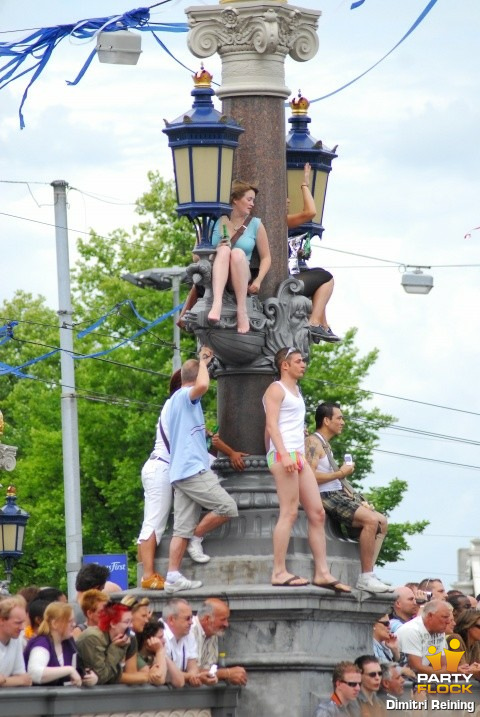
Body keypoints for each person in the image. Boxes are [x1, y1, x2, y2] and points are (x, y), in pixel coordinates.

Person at [263, 347, 350, 591]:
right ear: (285, 365)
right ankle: (279, 571)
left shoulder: (296, 391)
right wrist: (281, 453)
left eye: (304, 361)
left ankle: (322, 572)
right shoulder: (275, 389)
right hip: (285, 456)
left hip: (298, 454)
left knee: (317, 513)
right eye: (299, 361)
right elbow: (270, 424)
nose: (304, 364)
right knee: (289, 513)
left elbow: (286, 423)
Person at [163, 349, 238, 593]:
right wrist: (205, 362)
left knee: (180, 529)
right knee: (227, 507)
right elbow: (203, 385)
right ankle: (197, 537)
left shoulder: (175, 401)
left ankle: (172, 576)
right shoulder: (186, 395)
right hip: (192, 470)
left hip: (181, 472)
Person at [305, 402, 389, 594]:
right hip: (326, 495)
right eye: (339, 418)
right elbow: (309, 477)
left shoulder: (325, 445)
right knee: (371, 520)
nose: (343, 422)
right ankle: (366, 576)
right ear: (326, 421)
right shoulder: (313, 442)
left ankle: (368, 572)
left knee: (382, 523)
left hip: (339, 494)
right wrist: (340, 473)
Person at [137, 370, 181, 590]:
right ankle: (147, 575)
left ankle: (146, 572)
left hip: (158, 467)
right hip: (161, 468)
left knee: (153, 523)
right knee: (154, 524)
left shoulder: (173, 405)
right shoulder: (176, 404)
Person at [209, 180, 271, 334]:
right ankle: (217, 304)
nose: (252, 204)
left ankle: (241, 310)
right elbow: (195, 257)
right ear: (235, 200)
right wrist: (215, 249)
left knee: (237, 253)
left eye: (253, 200)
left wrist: (258, 280)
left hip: (242, 273)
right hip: (217, 273)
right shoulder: (214, 222)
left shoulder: (255, 224)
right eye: (249, 199)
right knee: (223, 250)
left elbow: (266, 257)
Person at [287, 162, 339, 343]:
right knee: (325, 277)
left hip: (289, 274)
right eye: (284, 200)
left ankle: (323, 325)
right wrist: (304, 184)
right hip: (285, 278)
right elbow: (310, 211)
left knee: (319, 276)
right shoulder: (280, 220)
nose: (288, 202)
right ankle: (316, 323)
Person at [76, 599, 163, 685]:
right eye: (127, 622)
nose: (131, 626)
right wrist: (116, 648)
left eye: (131, 621)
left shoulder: (127, 638)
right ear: (113, 623)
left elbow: (121, 674)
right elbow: (101, 677)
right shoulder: (93, 638)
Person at [24, 601, 97, 687]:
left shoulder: (69, 643)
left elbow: (77, 671)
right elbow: (34, 673)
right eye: (69, 621)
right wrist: (69, 670)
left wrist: (90, 678)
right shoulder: (41, 643)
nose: (74, 624)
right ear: (54, 624)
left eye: (74, 621)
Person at [191, 598, 247, 686]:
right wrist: (227, 673)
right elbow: (192, 672)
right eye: (223, 619)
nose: (226, 624)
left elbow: (208, 670)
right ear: (207, 619)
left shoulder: (212, 632)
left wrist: (227, 675)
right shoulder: (190, 630)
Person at [163, 598, 217, 687]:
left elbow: (193, 668)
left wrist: (193, 676)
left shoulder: (188, 633)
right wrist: (192, 677)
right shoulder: (161, 634)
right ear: (171, 620)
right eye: (187, 618)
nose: (191, 622)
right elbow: (167, 674)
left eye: (191, 618)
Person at [396, 599, 452, 675]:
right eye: (445, 617)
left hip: (418, 679)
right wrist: (452, 671)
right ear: (430, 616)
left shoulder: (439, 630)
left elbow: (443, 665)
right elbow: (417, 668)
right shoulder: (411, 630)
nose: (448, 621)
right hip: (402, 679)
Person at [136, 616, 184, 686]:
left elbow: (179, 682)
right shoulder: (136, 657)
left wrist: (162, 654)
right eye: (160, 637)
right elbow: (160, 679)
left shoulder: (158, 656)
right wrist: (160, 651)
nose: (164, 641)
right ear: (148, 640)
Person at [0, 595, 32, 687]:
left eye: (23, 622)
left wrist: (4, 680)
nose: (22, 628)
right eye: (18, 623)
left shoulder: (16, 639)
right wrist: (17, 680)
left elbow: (25, 679)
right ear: (2, 620)